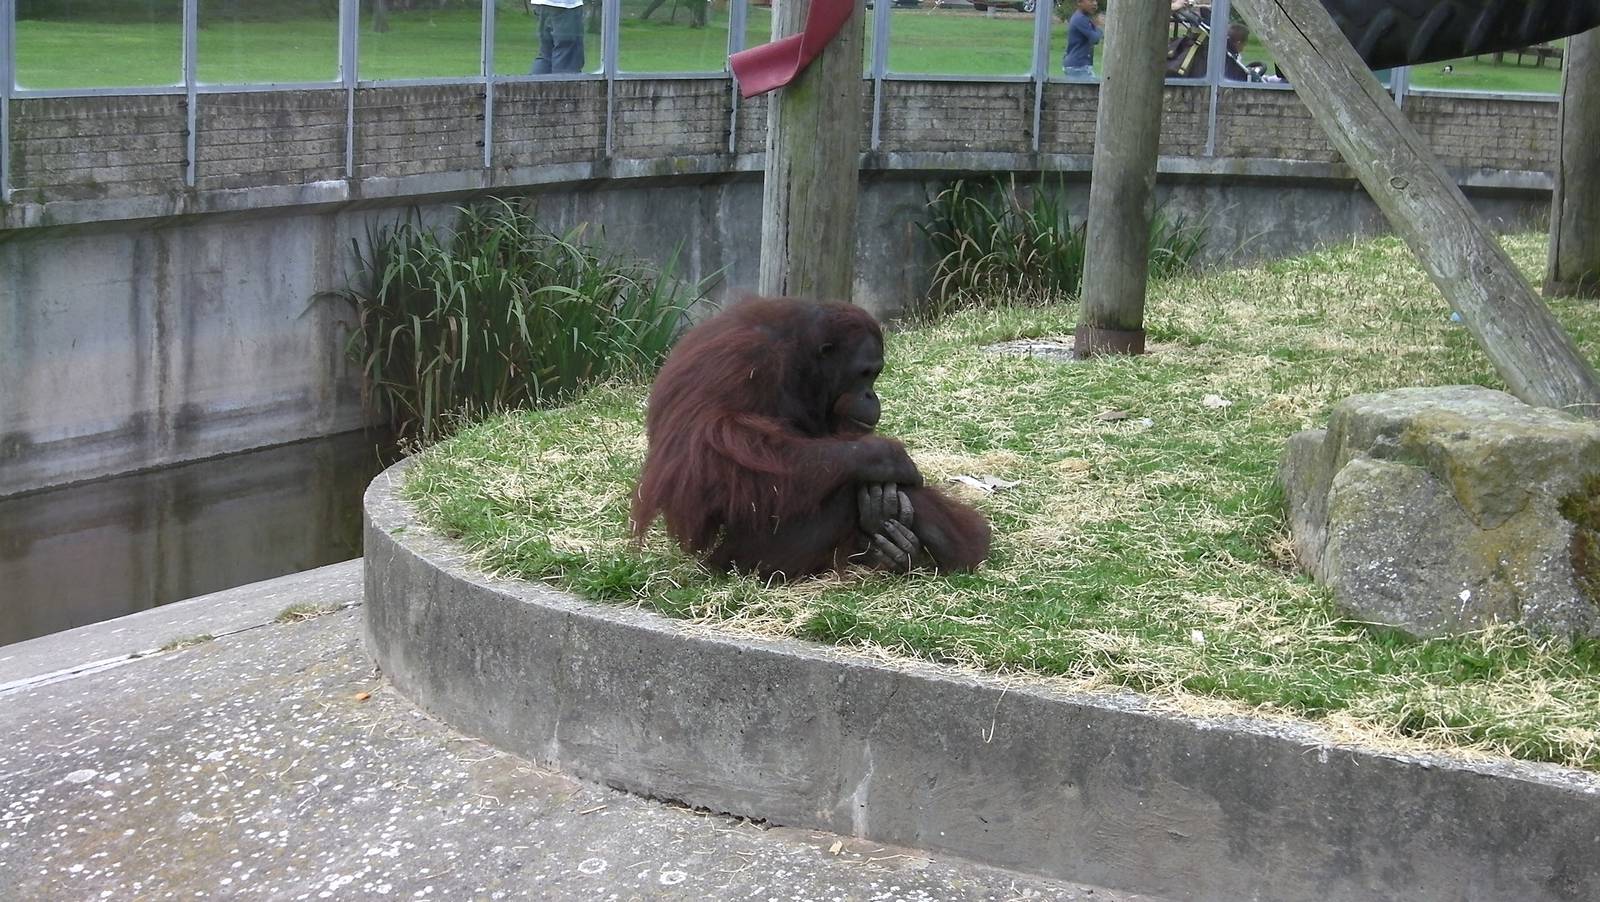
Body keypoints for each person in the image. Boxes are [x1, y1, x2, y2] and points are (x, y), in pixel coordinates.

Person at [530, 0, 586, 75]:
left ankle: (534, 86)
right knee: (567, 58)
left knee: (546, 55)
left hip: (542, 4)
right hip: (565, 5)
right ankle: (564, 86)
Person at [1061, 0, 1104, 79]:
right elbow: (1095, 39)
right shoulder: (1080, 19)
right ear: (1079, 2)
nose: (1095, 3)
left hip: (1079, 65)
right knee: (1097, 89)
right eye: (1091, 1)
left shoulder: (1083, 18)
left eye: (1095, 1)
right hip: (1078, 67)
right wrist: (1098, 28)